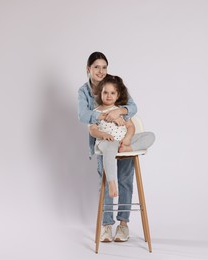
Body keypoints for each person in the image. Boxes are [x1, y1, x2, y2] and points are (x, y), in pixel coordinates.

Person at [78, 52, 137, 243]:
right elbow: (83, 116)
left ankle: (123, 225)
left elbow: (133, 107)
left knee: (125, 181)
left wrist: (120, 111)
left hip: (123, 140)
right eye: (96, 67)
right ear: (88, 69)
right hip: (104, 143)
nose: (100, 71)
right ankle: (106, 226)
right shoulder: (84, 92)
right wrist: (105, 116)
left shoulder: (113, 85)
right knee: (105, 184)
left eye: (104, 67)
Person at [89, 74, 155, 200]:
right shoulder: (96, 112)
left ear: (117, 95)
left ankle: (129, 149)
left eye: (112, 93)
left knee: (150, 136)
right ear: (100, 94)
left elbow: (131, 126)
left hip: (124, 142)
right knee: (110, 147)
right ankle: (112, 182)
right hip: (107, 142)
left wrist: (128, 138)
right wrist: (103, 134)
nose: (109, 96)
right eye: (105, 92)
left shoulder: (121, 110)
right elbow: (92, 130)